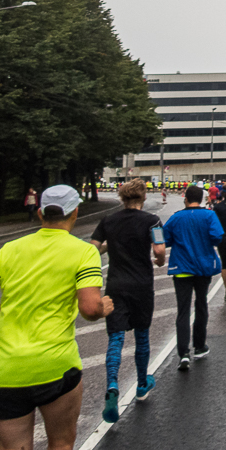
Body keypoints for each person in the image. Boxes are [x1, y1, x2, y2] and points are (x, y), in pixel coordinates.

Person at [0, 185, 113, 450]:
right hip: (55, 367)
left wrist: (2, 313)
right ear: (75, 212)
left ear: (41, 212)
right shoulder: (83, 252)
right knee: (60, 445)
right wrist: (102, 308)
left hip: (6, 368)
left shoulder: (10, 249)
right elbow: (88, 309)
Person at [90, 179, 165, 422]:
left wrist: (111, 247)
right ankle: (142, 384)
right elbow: (160, 250)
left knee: (116, 336)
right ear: (143, 198)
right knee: (142, 335)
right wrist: (160, 262)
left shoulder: (108, 221)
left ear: (122, 198)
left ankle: (112, 384)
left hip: (115, 285)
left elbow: (93, 249)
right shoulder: (152, 220)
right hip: (141, 284)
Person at [162, 184, 224, 371]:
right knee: (201, 304)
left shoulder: (176, 217)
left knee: (183, 310)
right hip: (203, 267)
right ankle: (199, 346)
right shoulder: (209, 215)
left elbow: (164, 240)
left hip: (181, 267)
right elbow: (217, 237)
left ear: (185, 198)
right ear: (202, 198)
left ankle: (183, 353)